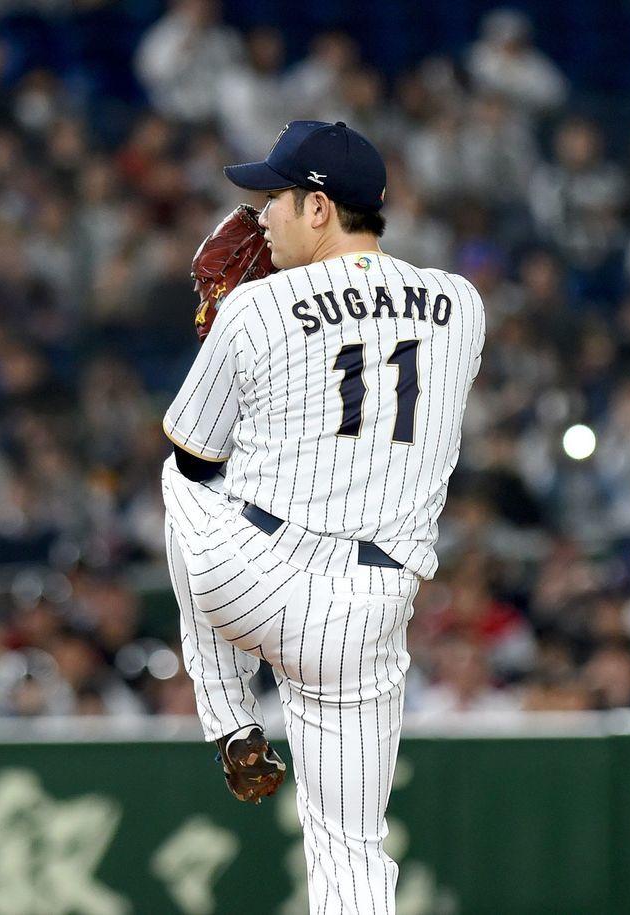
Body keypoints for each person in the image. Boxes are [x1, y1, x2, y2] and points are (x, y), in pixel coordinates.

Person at [161, 120, 485, 912]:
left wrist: (220, 331)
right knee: (350, 849)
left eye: (273, 198)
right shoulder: (463, 303)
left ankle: (231, 720)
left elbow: (198, 456)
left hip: (254, 576)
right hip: (366, 616)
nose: (258, 217)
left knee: (184, 483)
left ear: (317, 208)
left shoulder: (257, 309)